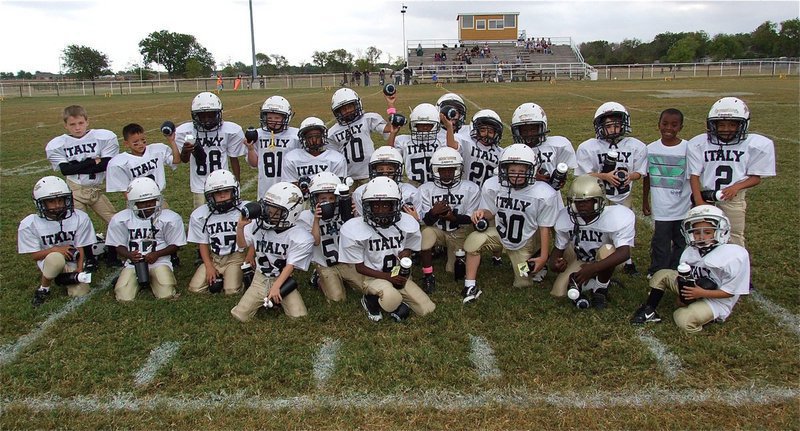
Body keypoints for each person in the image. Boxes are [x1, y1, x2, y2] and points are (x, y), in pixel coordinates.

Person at [462, 144, 560, 302]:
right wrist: (482, 213)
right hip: (501, 234)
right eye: (512, 171)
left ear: (532, 170)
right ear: (504, 169)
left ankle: (533, 263)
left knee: (522, 282)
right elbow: (491, 212)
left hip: (523, 242)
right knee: (474, 241)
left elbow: (544, 228)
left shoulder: (543, 193)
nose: (516, 176)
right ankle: (469, 285)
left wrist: (543, 257)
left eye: (522, 171)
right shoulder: (494, 186)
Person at [630, 205, 750, 333]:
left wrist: (701, 293)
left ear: (720, 231)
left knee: (682, 318)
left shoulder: (733, 256)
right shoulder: (690, 252)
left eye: (708, 232)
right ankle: (649, 309)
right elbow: (687, 279)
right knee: (662, 274)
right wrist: (683, 295)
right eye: (697, 232)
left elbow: (730, 292)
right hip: (696, 289)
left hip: (717, 301)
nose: (702, 237)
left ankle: (711, 317)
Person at [338, 177, 435, 322]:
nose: (380, 211)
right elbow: (359, 268)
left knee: (427, 309)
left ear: (394, 205)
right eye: (375, 206)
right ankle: (370, 300)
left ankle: (401, 301)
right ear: (367, 206)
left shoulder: (406, 222)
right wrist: (388, 278)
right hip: (373, 277)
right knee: (391, 300)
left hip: (397, 274)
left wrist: (405, 254)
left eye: (385, 206)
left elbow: (408, 245)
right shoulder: (355, 228)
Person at [687, 97, 776, 248]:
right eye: (721, 124)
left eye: (732, 124)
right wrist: (698, 200)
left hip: (733, 199)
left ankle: (736, 267)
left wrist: (735, 187)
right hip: (706, 196)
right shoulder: (699, 143)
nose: (726, 129)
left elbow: (756, 178)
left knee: (734, 235)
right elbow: (694, 175)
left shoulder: (753, 145)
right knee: (701, 236)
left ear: (742, 124)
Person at [575, 101, 647, 275]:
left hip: (623, 194)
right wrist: (605, 176)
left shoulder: (636, 145)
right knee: (598, 224)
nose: (614, 129)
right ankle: (599, 254)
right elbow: (583, 175)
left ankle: (627, 260)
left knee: (625, 226)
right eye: (609, 125)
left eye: (617, 125)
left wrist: (630, 176)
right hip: (598, 193)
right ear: (600, 127)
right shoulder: (588, 147)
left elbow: (640, 172)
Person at [45, 105, 118, 267]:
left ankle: (113, 255)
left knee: (114, 220)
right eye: (72, 124)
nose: (77, 128)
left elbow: (105, 164)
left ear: (87, 122)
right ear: (65, 125)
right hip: (74, 190)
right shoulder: (59, 144)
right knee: (81, 224)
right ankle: (90, 259)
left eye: (80, 123)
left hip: (96, 189)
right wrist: (92, 161)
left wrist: (79, 165)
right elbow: (65, 170)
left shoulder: (101, 137)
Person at [231, 182, 314, 321]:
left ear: (291, 213)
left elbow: (290, 266)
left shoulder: (299, 236)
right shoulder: (257, 225)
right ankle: (264, 296)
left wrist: (276, 286)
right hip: (260, 277)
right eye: (267, 207)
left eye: (274, 209)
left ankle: (274, 298)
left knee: (298, 315)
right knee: (240, 315)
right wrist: (240, 228)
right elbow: (242, 245)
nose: (267, 212)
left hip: (281, 279)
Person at [549, 175, 634, 309]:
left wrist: (593, 268)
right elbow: (557, 251)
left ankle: (600, 289)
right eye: (577, 202)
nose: (580, 206)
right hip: (582, 259)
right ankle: (594, 281)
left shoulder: (616, 217)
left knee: (606, 249)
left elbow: (624, 253)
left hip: (608, 258)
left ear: (598, 201)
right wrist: (555, 264)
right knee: (558, 292)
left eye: (586, 201)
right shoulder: (566, 218)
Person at [105, 177, 186, 301]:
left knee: (166, 294)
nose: (148, 205)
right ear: (133, 203)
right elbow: (117, 244)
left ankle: (153, 279)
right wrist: (129, 255)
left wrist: (157, 254)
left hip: (159, 261)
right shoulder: (121, 219)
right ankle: (128, 279)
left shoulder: (169, 218)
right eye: (143, 202)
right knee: (123, 296)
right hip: (133, 263)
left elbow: (176, 244)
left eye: (151, 200)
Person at [20, 176, 96, 307]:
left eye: (61, 200)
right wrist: (55, 250)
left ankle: (60, 277)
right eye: (51, 201)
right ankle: (44, 289)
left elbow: (80, 246)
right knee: (56, 258)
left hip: (71, 260)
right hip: (48, 259)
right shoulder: (30, 223)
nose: (58, 205)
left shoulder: (79, 217)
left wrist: (79, 268)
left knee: (81, 293)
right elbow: (35, 255)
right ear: (41, 203)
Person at [417, 147, 480, 293]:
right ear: (435, 170)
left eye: (450, 169)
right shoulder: (426, 189)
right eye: (442, 170)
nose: (446, 173)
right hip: (437, 230)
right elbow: (424, 221)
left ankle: (452, 253)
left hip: (458, 232)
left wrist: (453, 218)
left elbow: (471, 219)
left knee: (452, 270)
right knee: (425, 234)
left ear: (458, 169)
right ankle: (428, 275)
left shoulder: (470, 188)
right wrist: (433, 212)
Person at [295, 172, 361, 302]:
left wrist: (353, 215)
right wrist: (316, 221)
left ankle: (341, 278)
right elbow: (315, 242)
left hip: (346, 261)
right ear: (315, 199)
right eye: (323, 199)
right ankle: (319, 279)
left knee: (363, 287)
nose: (328, 202)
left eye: (332, 198)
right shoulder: (306, 217)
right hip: (325, 264)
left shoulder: (344, 212)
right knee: (338, 299)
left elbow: (356, 237)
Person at [642, 109, 691, 278]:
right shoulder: (650, 149)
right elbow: (647, 177)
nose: (668, 128)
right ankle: (657, 270)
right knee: (660, 241)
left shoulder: (688, 148)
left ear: (681, 127)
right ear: (658, 125)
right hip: (661, 207)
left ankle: (676, 268)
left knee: (681, 240)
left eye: (674, 125)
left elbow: (693, 177)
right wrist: (645, 201)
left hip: (683, 206)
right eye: (665, 124)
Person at [176, 92, 246, 209]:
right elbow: (184, 160)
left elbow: (233, 158)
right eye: (202, 116)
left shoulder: (230, 130)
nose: (207, 119)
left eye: (211, 115)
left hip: (224, 181)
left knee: (227, 213)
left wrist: (236, 183)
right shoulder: (186, 132)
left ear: (218, 114)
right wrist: (185, 151)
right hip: (199, 182)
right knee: (201, 215)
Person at [187, 169, 247, 295]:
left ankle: (236, 278)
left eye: (226, 191)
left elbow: (253, 240)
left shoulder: (244, 211)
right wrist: (209, 266)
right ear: (210, 195)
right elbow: (202, 243)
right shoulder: (201, 214)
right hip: (215, 258)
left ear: (234, 191)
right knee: (195, 288)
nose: (222, 195)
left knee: (231, 290)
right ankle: (221, 276)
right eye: (218, 192)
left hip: (235, 257)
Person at [327, 88, 394, 189]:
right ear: (337, 112)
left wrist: (391, 106)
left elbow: (389, 128)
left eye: (350, 106)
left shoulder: (367, 119)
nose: (348, 111)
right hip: (347, 177)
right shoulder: (332, 132)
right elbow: (332, 158)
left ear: (357, 104)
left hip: (369, 173)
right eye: (343, 109)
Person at [388, 103, 460, 186]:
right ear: (414, 125)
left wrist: (449, 127)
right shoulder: (403, 141)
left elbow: (453, 149)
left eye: (428, 125)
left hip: (438, 184)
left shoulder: (443, 139)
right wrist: (393, 134)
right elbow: (390, 155)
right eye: (421, 124)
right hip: (414, 184)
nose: (425, 127)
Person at [106, 123, 181, 202]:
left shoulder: (156, 150)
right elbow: (125, 190)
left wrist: (171, 141)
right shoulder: (120, 162)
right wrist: (134, 204)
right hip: (137, 201)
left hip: (157, 198)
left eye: (143, 140)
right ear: (126, 144)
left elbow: (176, 160)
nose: (141, 144)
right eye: (136, 142)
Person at [244, 95, 300, 200]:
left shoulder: (295, 135)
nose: (273, 121)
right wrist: (250, 149)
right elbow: (254, 163)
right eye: (269, 118)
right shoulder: (258, 135)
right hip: (266, 187)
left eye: (277, 118)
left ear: (286, 117)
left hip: (289, 185)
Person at [351, 146, 421, 218]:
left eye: (390, 169)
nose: (385, 173)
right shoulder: (360, 193)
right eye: (380, 169)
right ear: (374, 170)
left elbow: (415, 223)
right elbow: (360, 223)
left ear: (398, 170)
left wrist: (415, 219)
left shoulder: (411, 193)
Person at [282, 117, 347, 193]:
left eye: (317, 137)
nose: (314, 140)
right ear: (304, 139)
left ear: (323, 136)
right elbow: (289, 187)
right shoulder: (291, 158)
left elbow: (339, 187)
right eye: (310, 137)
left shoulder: (336, 159)